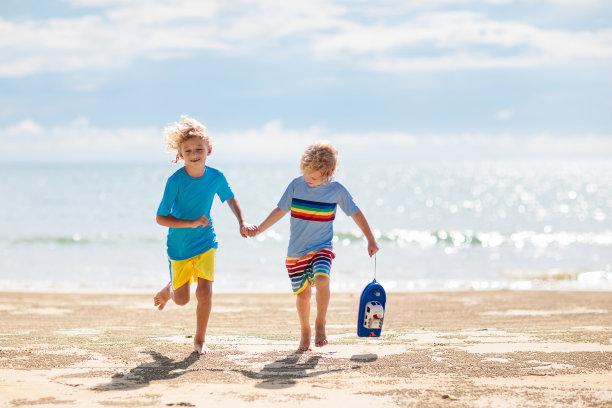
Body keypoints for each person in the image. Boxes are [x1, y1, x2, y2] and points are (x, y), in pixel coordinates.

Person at [251, 141, 379, 351]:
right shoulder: (296, 185)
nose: (308, 180)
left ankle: (320, 322)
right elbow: (279, 211)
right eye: (306, 174)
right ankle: (305, 330)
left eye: (313, 177)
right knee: (303, 296)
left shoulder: (336, 191)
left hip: (322, 248)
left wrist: (370, 238)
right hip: (296, 252)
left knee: (322, 279)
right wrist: (259, 229)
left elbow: (355, 212)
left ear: (328, 173)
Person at [153, 115, 256, 355]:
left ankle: (199, 340)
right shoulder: (175, 181)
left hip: (206, 241)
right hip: (178, 246)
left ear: (209, 150)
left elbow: (231, 198)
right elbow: (160, 218)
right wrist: (189, 223)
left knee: (205, 290)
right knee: (182, 299)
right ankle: (168, 291)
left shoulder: (216, 177)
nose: (194, 153)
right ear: (180, 153)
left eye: (199, 149)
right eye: (187, 150)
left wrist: (242, 222)